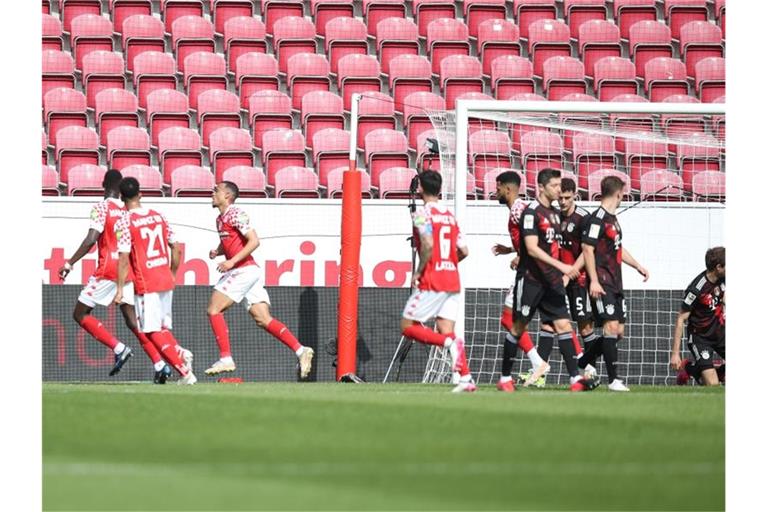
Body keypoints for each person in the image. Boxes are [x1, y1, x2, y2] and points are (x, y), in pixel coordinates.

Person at [57, 169, 175, 383]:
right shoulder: (126, 210)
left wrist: (69, 262)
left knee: (80, 313)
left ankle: (119, 348)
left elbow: (91, 238)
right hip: (127, 270)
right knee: (134, 322)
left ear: (104, 185)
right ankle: (160, 364)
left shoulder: (101, 208)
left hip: (108, 270)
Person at [205, 181, 315, 378]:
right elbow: (229, 240)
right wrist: (218, 251)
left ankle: (226, 358)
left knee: (214, 310)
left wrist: (231, 262)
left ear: (227, 196)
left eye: (217, 190)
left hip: (243, 270)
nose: (212, 193)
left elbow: (254, 241)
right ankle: (301, 350)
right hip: (248, 271)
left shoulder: (236, 213)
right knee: (263, 319)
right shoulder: (220, 219)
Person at [501, 168, 598, 392]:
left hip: (551, 281)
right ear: (542, 187)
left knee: (563, 325)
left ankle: (575, 379)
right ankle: (505, 377)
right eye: (555, 186)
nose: (558, 190)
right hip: (532, 279)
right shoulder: (531, 212)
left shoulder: (554, 215)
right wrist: (562, 266)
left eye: (560, 186)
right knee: (517, 327)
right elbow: (532, 249)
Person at [113, 177, 196, 385]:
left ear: (121, 198)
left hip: (146, 282)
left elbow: (123, 258)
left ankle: (184, 372)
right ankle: (180, 352)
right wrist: (173, 273)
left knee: (150, 330)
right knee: (162, 328)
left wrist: (120, 289)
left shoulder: (124, 221)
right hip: (165, 278)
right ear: (140, 194)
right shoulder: (158, 216)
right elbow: (176, 247)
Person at [400, 170, 476, 393]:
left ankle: (450, 344)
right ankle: (465, 378)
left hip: (433, 279)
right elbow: (464, 250)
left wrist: (419, 271)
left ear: (421, 187)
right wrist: (448, 263)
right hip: (452, 277)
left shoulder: (422, 213)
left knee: (407, 326)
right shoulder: (450, 216)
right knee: (445, 328)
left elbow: (428, 244)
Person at [579, 176, 649, 392]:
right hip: (603, 282)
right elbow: (587, 248)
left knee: (618, 332)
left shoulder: (612, 218)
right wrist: (594, 281)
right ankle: (614, 380)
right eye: (623, 194)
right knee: (610, 328)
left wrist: (637, 265)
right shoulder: (597, 218)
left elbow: (617, 247)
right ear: (618, 193)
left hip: (616, 283)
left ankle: (584, 360)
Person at [491, 171, 550, 391]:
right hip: (533, 270)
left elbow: (535, 235)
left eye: (498, 188)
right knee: (553, 320)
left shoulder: (519, 209)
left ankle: (540, 364)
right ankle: (541, 364)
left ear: (508, 189)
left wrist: (520, 255)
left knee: (511, 319)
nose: (495, 192)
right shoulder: (518, 209)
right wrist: (510, 250)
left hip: (531, 272)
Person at [557, 178, 599, 380]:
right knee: (555, 322)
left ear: (574, 194)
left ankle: (590, 367)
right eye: (560, 198)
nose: (563, 202)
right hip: (559, 280)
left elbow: (587, 250)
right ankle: (540, 368)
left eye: (566, 198)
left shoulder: (583, 218)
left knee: (584, 326)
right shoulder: (554, 216)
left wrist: (570, 272)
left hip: (580, 280)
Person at [670, 247, 725, 386]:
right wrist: (675, 353)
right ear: (718, 267)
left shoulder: (724, 279)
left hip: (721, 334)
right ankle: (690, 368)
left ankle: (703, 370)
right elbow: (681, 318)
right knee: (713, 385)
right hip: (701, 339)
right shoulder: (696, 289)